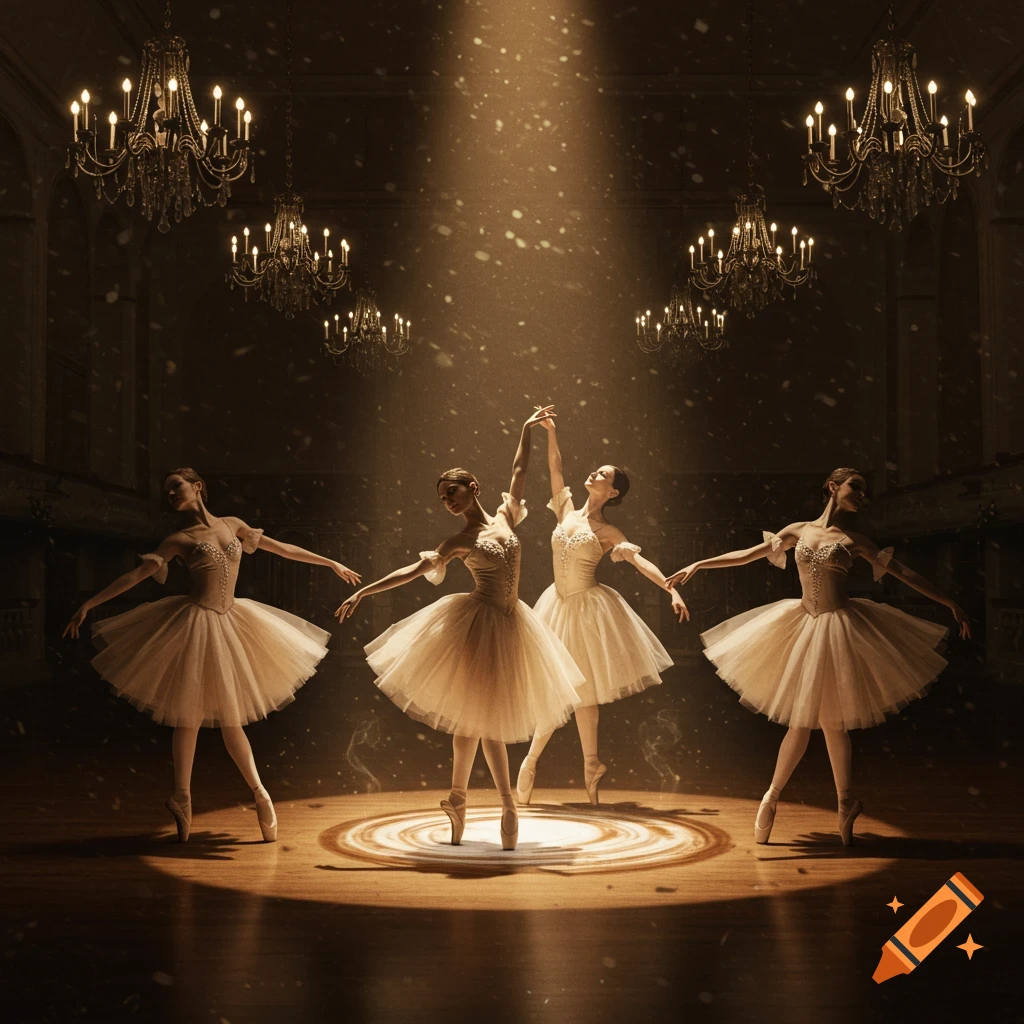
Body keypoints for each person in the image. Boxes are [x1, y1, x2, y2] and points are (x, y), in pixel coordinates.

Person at [666, 468, 971, 846]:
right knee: (806, 722)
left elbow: (904, 572)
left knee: (828, 722)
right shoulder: (798, 530)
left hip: (839, 628)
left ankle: (836, 802)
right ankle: (785, 798)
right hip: (801, 626)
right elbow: (749, 555)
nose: (862, 495)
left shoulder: (855, 540)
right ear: (833, 487)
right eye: (855, 487)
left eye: (864, 490)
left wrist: (949, 602)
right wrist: (700, 564)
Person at [63, 468, 360, 844]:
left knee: (232, 719)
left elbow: (283, 549)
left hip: (233, 621)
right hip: (196, 624)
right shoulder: (178, 539)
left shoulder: (232, 525)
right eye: (167, 490)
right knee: (188, 717)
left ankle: (259, 794)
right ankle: (183, 797)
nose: (171, 494)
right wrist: (89, 603)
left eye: (176, 487)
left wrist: (329, 562)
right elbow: (137, 575)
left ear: (197, 487)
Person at [335, 408, 584, 851]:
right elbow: (413, 570)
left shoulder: (507, 516)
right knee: (483, 716)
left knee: (477, 716)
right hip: (479, 625)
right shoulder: (458, 541)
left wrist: (527, 430)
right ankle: (505, 805)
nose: (448, 502)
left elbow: (519, 469)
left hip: (512, 623)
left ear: (473, 489)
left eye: (453, 493)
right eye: (443, 499)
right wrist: (366, 591)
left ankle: (458, 799)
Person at [516, 413, 688, 807]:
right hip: (555, 607)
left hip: (587, 610)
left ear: (613, 493)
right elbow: (555, 468)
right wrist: (552, 433)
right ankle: (536, 762)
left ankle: (586, 765)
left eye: (604, 475)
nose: (595, 474)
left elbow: (638, 561)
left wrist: (670, 590)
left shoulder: (609, 532)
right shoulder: (566, 510)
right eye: (597, 471)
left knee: (582, 692)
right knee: (557, 689)